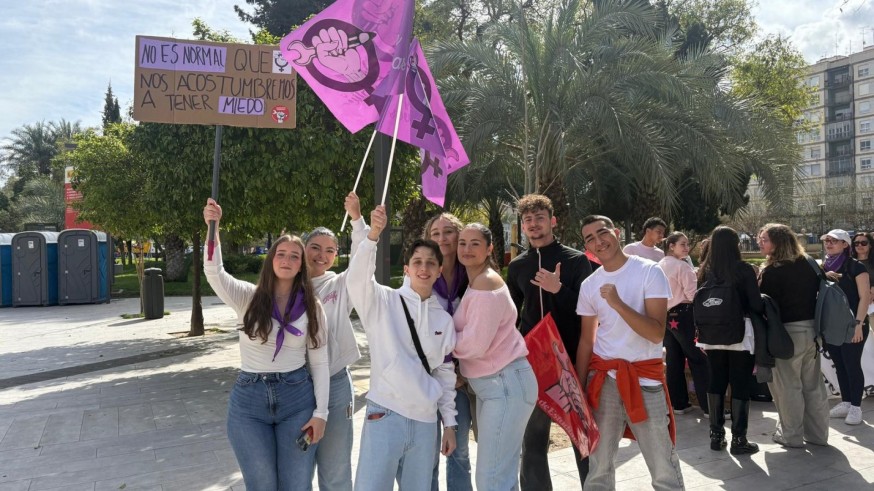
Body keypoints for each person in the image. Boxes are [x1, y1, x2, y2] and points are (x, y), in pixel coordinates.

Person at [202, 198, 329, 490]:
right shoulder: (247, 297)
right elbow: (214, 273)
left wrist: (321, 414)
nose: (287, 260)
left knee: (296, 484)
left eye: (295, 256)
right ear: (271, 260)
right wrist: (214, 227)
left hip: (297, 400)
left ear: (302, 266)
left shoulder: (313, 306)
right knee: (261, 484)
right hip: (249, 402)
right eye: (280, 254)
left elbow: (320, 361)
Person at [347, 205, 458, 491]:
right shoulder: (382, 301)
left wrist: (449, 424)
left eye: (430, 263)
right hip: (385, 414)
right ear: (407, 268)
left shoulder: (444, 321)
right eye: (417, 262)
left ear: (439, 270)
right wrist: (372, 235)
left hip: (425, 421)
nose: (424, 268)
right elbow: (357, 278)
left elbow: (445, 373)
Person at [575, 215, 684, 491]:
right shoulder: (589, 285)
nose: (598, 242)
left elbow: (656, 333)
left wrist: (618, 303)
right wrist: (577, 391)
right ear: (586, 246)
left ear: (616, 231)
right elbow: (587, 341)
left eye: (602, 233)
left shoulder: (649, 271)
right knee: (598, 467)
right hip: (602, 382)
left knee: (663, 466)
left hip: (645, 381)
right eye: (590, 238)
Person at [507, 194, 592, 490]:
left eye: (539, 218)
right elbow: (510, 315)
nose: (533, 224)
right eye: (528, 219)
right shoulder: (517, 266)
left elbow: (589, 311)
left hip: (571, 360)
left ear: (552, 221)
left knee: (581, 436)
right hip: (532, 365)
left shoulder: (576, 260)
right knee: (532, 440)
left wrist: (558, 290)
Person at [452, 223, 537, 490]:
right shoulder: (477, 280)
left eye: (475, 243)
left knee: (491, 478)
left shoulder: (486, 282)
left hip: (505, 384)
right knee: (501, 474)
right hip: (500, 386)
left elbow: (475, 344)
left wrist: (438, 341)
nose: (466, 249)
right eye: (462, 243)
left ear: (489, 248)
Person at [304, 193, 368, 491]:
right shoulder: (284, 286)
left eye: (329, 250)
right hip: (296, 386)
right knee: (297, 469)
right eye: (315, 247)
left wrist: (356, 218)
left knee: (336, 470)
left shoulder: (340, 285)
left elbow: (363, 259)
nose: (322, 255)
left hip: (336, 384)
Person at [757, 223, 829, 448]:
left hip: (786, 334)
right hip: (812, 331)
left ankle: (792, 436)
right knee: (813, 386)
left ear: (777, 242)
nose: (760, 242)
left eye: (764, 239)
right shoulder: (808, 263)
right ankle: (818, 436)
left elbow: (765, 306)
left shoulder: (772, 271)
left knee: (788, 387)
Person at [695, 226, 763, 455]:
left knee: (716, 380)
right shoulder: (742, 269)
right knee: (740, 382)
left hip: (712, 335)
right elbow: (755, 304)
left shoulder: (705, 271)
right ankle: (739, 440)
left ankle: (716, 436)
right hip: (739, 334)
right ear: (736, 245)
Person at [423, 213, 473, 491]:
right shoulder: (424, 275)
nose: (442, 238)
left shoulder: (473, 275)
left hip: (462, 381)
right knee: (427, 455)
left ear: (459, 235)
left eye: (449, 231)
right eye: (435, 233)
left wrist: (462, 374)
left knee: (459, 452)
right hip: (428, 379)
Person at [821, 229, 871, 426]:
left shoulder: (856, 267)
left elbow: (865, 297)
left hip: (853, 324)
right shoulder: (824, 267)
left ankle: (856, 407)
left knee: (851, 365)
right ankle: (846, 402)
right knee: (840, 366)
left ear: (845, 245)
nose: (829, 244)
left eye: (835, 241)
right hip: (832, 326)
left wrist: (858, 324)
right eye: (827, 241)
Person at [658, 232, 709, 416]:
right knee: (698, 359)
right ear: (671, 246)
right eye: (683, 244)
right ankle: (709, 407)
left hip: (666, 316)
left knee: (674, 360)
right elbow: (692, 294)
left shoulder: (658, 265)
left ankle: (678, 403)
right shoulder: (682, 266)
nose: (687, 248)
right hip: (684, 314)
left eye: (687, 244)